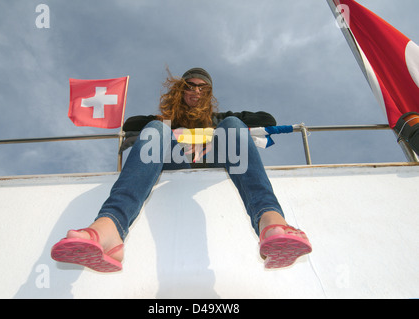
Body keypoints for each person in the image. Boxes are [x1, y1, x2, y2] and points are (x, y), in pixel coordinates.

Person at [51, 67, 312, 272]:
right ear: (180, 90)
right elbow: (132, 123)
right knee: (155, 130)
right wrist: (178, 129)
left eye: (203, 87)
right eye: (190, 86)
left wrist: (209, 134)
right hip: (176, 156)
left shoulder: (219, 118)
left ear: (209, 93)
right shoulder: (167, 120)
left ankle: (271, 223)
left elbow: (268, 120)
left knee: (233, 125)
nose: (196, 91)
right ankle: (110, 227)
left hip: (217, 155)